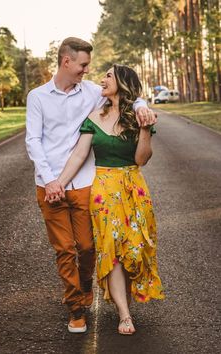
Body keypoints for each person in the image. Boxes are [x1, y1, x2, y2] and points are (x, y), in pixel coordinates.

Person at [25, 37, 157, 334]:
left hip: (84, 183)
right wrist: (50, 181)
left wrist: (143, 105)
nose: (88, 71)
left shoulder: (91, 93)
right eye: (83, 64)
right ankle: (76, 309)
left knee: (86, 247)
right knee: (64, 250)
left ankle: (85, 285)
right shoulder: (38, 97)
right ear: (66, 62)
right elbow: (33, 140)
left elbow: (127, 93)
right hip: (49, 185)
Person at [53, 64, 165, 335]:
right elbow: (79, 156)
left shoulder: (139, 116)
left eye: (108, 76)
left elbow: (141, 159)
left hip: (133, 188)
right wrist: (59, 183)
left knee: (135, 248)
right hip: (103, 190)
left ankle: (125, 299)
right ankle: (124, 314)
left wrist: (146, 129)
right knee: (112, 251)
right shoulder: (93, 117)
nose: (102, 80)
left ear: (123, 83)